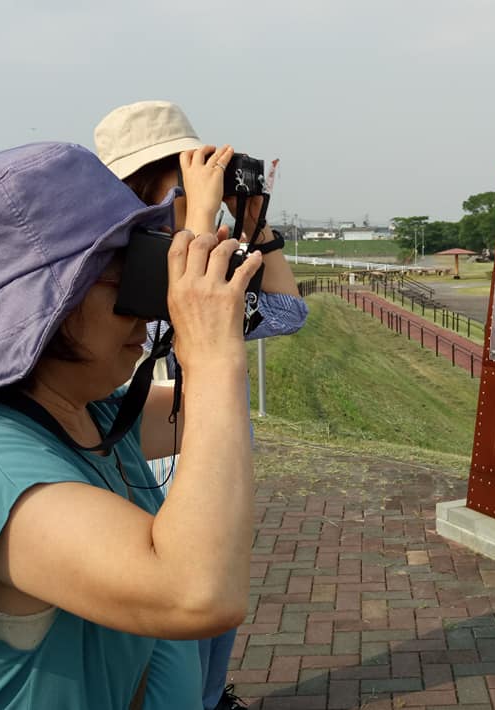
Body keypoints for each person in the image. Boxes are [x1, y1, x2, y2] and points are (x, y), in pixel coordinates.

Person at [0, 141, 262, 708]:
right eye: (124, 277)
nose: (146, 306)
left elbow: (214, 423)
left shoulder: (83, 413)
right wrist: (211, 352)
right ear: (48, 308)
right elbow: (198, 593)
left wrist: (211, 251)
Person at [94, 100, 307, 710]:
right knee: (175, 622)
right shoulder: (113, 264)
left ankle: (212, 697)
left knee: (217, 614)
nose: (199, 188)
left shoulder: (206, 259)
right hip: (148, 457)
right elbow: (168, 300)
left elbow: (287, 313)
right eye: (184, 177)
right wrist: (202, 216)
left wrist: (255, 225)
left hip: (212, 450)